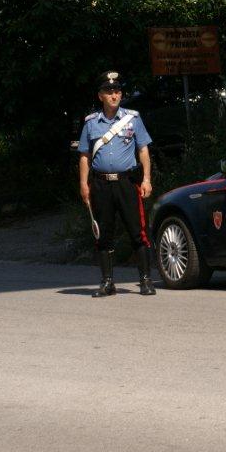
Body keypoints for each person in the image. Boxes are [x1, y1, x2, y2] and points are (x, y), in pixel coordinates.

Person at [78, 70, 156, 297]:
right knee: (103, 233)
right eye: (108, 91)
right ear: (100, 95)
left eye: (117, 91)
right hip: (101, 185)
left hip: (127, 183)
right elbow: (84, 156)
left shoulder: (133, 119)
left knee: (137, 231)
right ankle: (107, 282)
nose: (114, 95)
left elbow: (143, 150)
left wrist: (146, 179)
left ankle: (145, 280)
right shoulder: (91, 123)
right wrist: (83, 184)